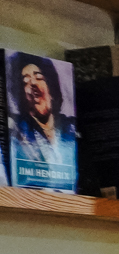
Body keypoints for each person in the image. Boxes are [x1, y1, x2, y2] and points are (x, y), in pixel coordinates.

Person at [9, 53, 77, 191]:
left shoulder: (72, 128)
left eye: (39, 77)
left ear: (51, 88)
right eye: (25, 82)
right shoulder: (17, 133)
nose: (33, 83)